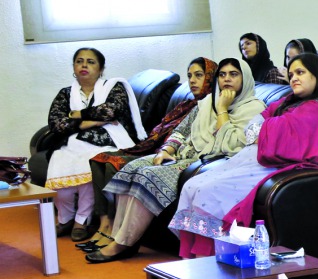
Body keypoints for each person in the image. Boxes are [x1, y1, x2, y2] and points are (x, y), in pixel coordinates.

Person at [91, 57, 265, 262]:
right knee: (131, 168)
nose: (226, 79)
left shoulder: (254, 109)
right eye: (222, 75)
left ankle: (122, 243)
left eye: (233, 74)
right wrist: (166, 150)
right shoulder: (206, 103)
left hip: (205, 161)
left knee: (148, 175)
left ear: (245, 79)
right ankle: (120, 236)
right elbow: (181, 131)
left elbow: (232, 145)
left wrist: (223, 109)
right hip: (180, 154)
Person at [169, 53, 318, 258]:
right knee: (192, 186)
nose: (294, 78)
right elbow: (252, 130)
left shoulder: (317, 108)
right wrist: (269, 130)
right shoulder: (289, 101)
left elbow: (280, 139)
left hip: (284, 166)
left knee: (209, 191)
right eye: (291, 74)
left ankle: (209, 259)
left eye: (300, 72)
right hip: (260, 159)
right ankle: (192, 259)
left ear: (317, 75)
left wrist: (268, 129)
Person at [81, 58, 217, 253]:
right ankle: (105, 224)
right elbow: (171, 133)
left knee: (113, 164)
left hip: (175, 156)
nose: (192, 81)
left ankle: (115, 234)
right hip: (159, 150)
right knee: (99, 160)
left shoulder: (214, 107)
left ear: (211, 77)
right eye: (190, 76)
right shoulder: (187, 105)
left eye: (199, 75)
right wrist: (165, 149)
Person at [43, 47, 145, 241]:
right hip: (70, 143)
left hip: (105, 141)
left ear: (101, 69)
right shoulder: (65, 93)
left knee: (91, 165)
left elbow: (111, 111)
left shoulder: (113, 87)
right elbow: (56, 123)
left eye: (90, 62)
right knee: (60, 169)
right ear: (74, 67)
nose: (84, 65)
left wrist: (77, 115)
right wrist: (88, 122)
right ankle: (65, 218)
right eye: (79, 61)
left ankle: (82, 220)